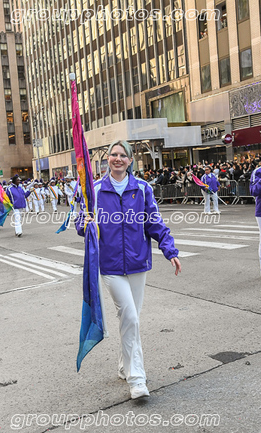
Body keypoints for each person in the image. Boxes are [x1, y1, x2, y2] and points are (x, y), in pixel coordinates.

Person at [76, 140, 182, 400]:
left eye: (123, 155)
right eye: (113, 154)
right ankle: (137, 379)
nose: (118, 158)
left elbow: (154, 222)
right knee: (130, 318)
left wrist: (170, 250)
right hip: (110, 266)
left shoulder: (143, 188)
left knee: (130, 319)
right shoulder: (95, 190)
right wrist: (85, 222)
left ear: (130, 160)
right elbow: (80, 222)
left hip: (137, 264)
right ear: (107, 159)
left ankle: (125, 366)